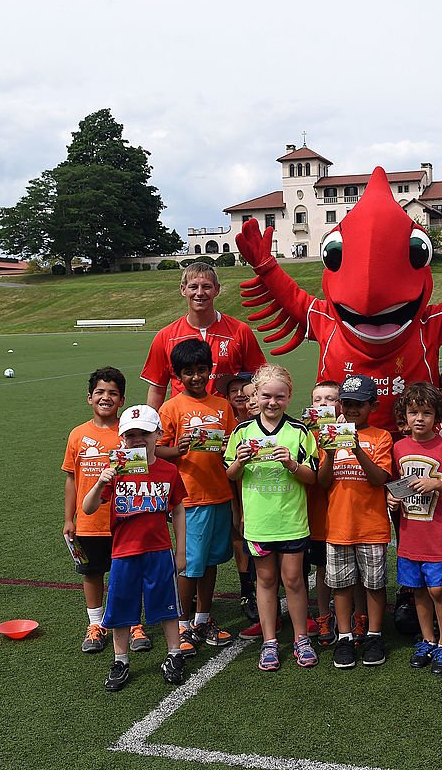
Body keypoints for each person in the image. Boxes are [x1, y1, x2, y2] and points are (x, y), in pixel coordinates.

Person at [82, 404, 188, 692]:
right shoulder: (115, 471)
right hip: (124, 551)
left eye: (145, 433)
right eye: (131, 435)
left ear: (158, 435)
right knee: (121, 608)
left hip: (159, 549)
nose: (138, 439)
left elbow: (178, 510)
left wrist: (181, 550)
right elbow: (88, 508)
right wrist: (100, 481)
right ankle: (120, 660)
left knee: (167, 607)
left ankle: (174, 654)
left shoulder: (168, 470)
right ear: (122, 439)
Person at [225, 364, 319, 671]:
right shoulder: (242, 432)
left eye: (279, 396)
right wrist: (239, 462)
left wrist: (292, 464)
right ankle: (269, 641)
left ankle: (301, 638)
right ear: (256, 394)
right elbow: (229, 473)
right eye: (266, 396)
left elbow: (312, 477)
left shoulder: (299, 432)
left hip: (291, 519)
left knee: (293, 580)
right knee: (265, 581)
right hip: (259, 523)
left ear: (289, 396)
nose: (272, 402)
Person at [155, 340, 236, 658]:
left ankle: (202, 618)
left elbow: (231, 446)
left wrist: (230, 444)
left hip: (219, 494)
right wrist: (178, 449)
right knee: (189, 565)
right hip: (189, 500)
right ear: (178, 375)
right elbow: (155, 450)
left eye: (201, 370)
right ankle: (182, 623)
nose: (196, 377)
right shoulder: (172, 407)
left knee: (212, 561)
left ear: (210, 370)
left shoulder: (222, 406)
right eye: (189, 372)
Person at [316, 375, 394, 669]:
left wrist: (357, 448)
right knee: (341, 585)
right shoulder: (329, 435)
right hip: (338, 526)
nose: (351, 410)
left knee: (374, 584)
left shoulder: (381, 437)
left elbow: (379, 480)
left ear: (372, 406)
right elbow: (324, 483)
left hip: (371, 525)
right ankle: (345, 637)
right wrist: (333, 451)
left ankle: (374, 634)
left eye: (358, 405)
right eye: (346, 404)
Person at [389, 383, 442, 675]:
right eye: (413, 412)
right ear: (405, 416)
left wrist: (437, 484)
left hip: (439, 537)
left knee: (438, 589)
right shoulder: (399, 447)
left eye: (426, 413)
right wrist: (392, 499)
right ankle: (428, 639)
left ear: (437, 417)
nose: (419, 419)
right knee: (418, 590)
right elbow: (395, 487)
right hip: (411, 536)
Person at [63, 366, 139, 654]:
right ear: (89, 398)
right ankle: (96, 624)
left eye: (113, 393)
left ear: (122, 400)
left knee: (128, 573)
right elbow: (72, 478)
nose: (105, 398)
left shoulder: (129, 433)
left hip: (124, 520)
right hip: (89, 522)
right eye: (100, 393)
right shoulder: (77, 435)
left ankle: (134, 624)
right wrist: (69, 519)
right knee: (92, 573)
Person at [142, 262, 265, 410]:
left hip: (230, 424)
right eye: (193, 287)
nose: (200, 293)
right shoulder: (165, 336)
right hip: (183, 426)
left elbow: (259, 380)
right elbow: (157, 389)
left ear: (217, 290)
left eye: (206, 286)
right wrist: (150, 427)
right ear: (183, 290)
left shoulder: (240, 331)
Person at [218, 372, 258, 622]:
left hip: (259, 490)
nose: (240, 395)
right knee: (237, 531)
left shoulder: (266, 418)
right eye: (234, 390)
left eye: (247, 391)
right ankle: (247, 590)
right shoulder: (224, 420)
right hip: (230, 486)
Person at [308, 379, 341, 646]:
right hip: (315, 514)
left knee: (345, 569)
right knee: (322, 568)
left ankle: (349, 615)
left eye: (330, 399)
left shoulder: (346, 432)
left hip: (343, 514)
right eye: (318, 400)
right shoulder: (305, 433)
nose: (323, 404)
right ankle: (323, 614)